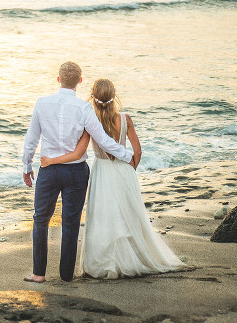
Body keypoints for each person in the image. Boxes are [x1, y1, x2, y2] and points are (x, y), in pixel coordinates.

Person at [41, 78, 186, 279]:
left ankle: (105, 262)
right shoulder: (125, 119)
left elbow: (79, 151)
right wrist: (130, 169)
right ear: (114, 95)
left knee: (104, 216)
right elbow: (138, 151)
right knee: (128, 214)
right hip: (124, 170)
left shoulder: (89, 120)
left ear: (93, 97)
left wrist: (51, 160)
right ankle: (133, 257)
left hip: (102, 171)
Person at [22, 62, 133, 283]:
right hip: (75, 173)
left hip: (49, 170)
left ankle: (38, 274)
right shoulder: (84, 109)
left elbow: (31, 140)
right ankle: (66, 276)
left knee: (41, 219)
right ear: (80, 82)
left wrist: (27, 167)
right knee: (70, 222)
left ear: (58, 79)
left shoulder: (42, 104)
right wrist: (128, 156)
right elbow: (102, 140)